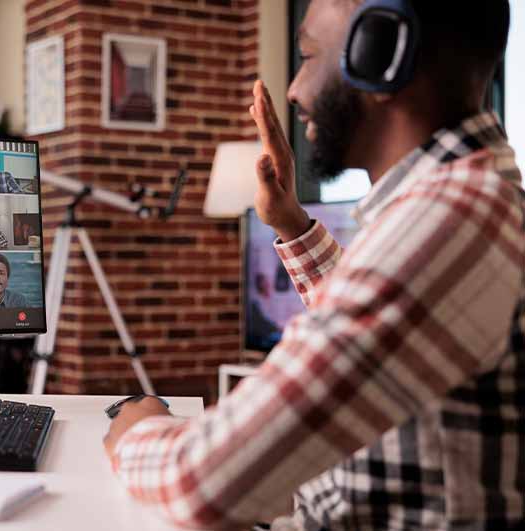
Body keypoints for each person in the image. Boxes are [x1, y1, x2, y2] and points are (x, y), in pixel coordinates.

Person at [104, 2, 524, 530]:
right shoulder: (468, 198)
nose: (295, 88)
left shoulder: (451, 216)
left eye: (308, 55)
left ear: (381, 56)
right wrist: (292, 224)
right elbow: (375, 337)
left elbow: (202, 483)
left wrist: (137, 429)